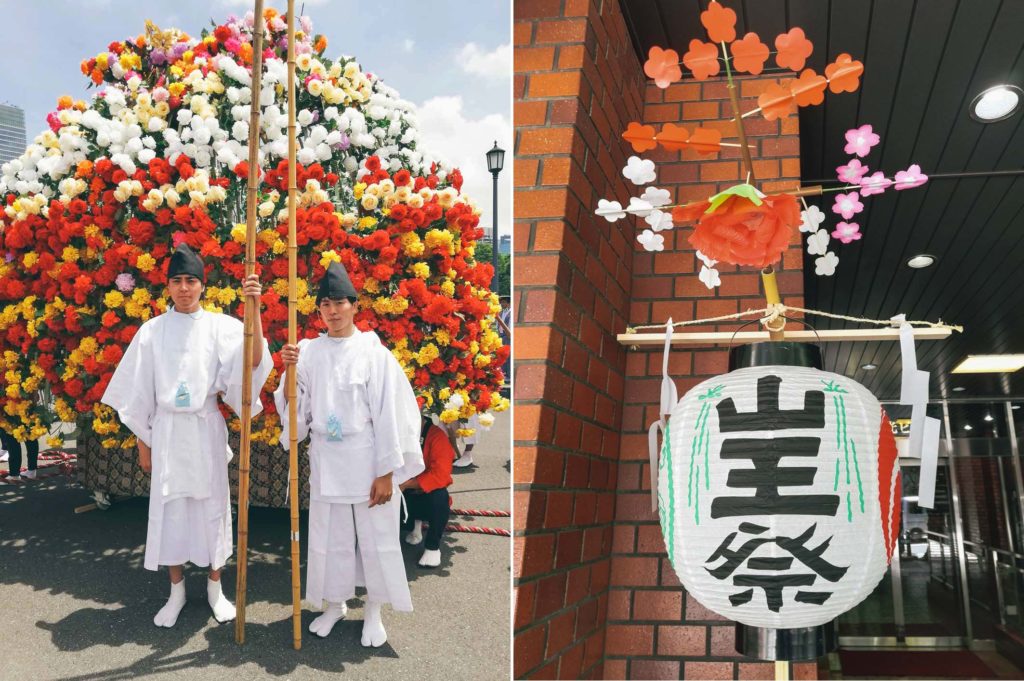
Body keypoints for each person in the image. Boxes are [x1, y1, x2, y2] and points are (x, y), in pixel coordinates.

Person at [101, 243, 272, 628]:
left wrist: (254, 309)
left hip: (204, 428)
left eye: (191, 280)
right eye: (176, 281)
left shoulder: (222, 327)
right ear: (167, 286)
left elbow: (255, 361)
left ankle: (215, 588)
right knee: (170, 510)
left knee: (212, 511)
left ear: (202, 285)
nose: (184, 288)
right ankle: (176, 590)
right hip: (166, 431)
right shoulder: (152, 332)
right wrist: (145, 444)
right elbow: (137, 394)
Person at [275, 261, 423, 646]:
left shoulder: (374, 353)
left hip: (367, 458)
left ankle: (373, 610)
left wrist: (387, 472)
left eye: (340, 302)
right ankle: (335, 604)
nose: (333, 311)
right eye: (325, 304)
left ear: (354, 305)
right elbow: (296, 413)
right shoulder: (307, 352)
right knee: (330, 537)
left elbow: (392, 413)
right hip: (327, 458)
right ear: (319, 309)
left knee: (375, 539)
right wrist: (289, 374)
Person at [401, 415, 455, 568]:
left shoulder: (437, 436)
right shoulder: (395, 431)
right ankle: (412, 526)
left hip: (424, 494)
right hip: (400, 490)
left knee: (439, 497)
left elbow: (441, 475)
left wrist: (407, 484)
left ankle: (432, 546)